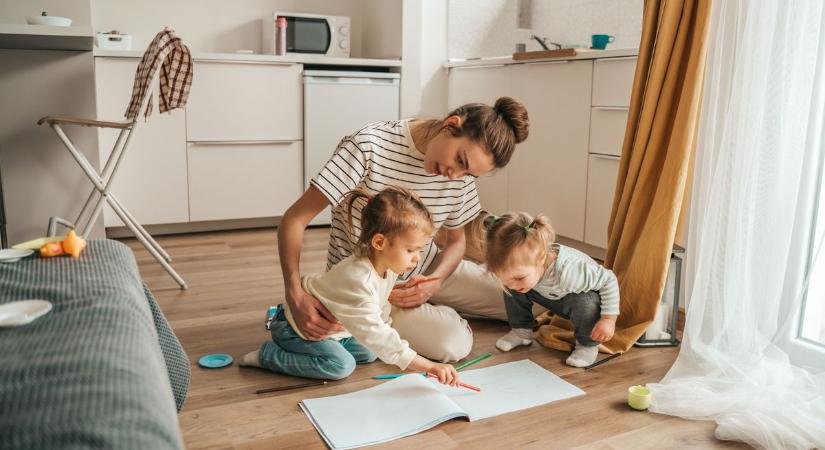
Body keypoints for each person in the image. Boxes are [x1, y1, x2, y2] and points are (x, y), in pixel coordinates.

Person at [276, 98, 530, 362]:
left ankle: (433, 305)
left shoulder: (459, 176)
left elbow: (456, 242)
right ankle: (427, 315)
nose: (455, 175)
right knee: (453, 345)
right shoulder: (368, 146)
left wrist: (434, 283)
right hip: (373, 287)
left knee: (526, 299)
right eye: (460, 160)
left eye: (469, 173)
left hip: (427, 268)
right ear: (450, 125)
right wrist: (294, 292)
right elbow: (294, 220)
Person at [240, 186, 460, 385]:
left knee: (369, 353)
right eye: (411, 250)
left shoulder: (386, 264)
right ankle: (267, 355)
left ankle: (331, 348)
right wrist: (429, 366)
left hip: (336, 330)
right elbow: (379, 335)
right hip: (296, 328)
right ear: (379, 242)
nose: (417, 259)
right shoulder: (358, 279)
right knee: (341, 366)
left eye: (419, 250)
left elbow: (378, 316)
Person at [473, 211, 620, 367]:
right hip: (552, 295)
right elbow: (513, 281)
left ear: (542, 257)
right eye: (505, 278)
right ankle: (521, 331)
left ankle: (587, 345)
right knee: (513, 290)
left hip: (577, 300)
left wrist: (608, 319)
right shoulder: (525, 269)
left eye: (518, 277)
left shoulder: (569, 271)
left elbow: (608, 279)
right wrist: (512, 281)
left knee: (586, 303)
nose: (513, 283)